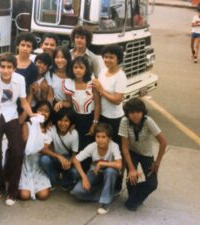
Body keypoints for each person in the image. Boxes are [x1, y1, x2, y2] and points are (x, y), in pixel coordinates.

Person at [0, 53, 37, 206]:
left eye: (9, 67)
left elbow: (23, 101)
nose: (6, 70)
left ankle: (12, 192)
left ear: (14, 68)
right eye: (3, 67)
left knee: (17, 151)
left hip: (11, 114)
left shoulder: (20, 79)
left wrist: (31, 113)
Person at [119, 98, 167, 211]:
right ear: (127, 113)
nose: (135, 115)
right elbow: (124, 147)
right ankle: (133, 198)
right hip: (131, 153)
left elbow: (163, 142)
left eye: (138, 112)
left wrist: (157, 163)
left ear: (143, 112)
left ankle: (132, 199)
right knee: (131, 178)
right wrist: (131, 169)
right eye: (132, 112)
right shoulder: (124, 121)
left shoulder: (148, 121)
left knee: (152, 184)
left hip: (146, 154)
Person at [92, 44, 127, 191]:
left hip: (116, 119)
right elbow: (98, 98)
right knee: (102, 149)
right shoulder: (103, 72)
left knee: (117, 152)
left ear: (118, 59)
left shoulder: (121, 76)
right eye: (105, 57)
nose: (108, 60)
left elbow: (118, 99)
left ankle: (118, 183)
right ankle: (103, 180)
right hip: (103, 117)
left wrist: (101, 90)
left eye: (111, 57)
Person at [71, 123, 122, 215]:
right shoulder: (92, 146)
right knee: (77, 192)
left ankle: (105, 203)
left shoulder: (114, 146)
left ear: (109, 138)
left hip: (109, 174)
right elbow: (75, 160)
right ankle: (106, 194)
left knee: (110, 171)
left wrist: (101, 163)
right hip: (95, 173)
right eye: (98, 136)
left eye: (103, 137)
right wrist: (84, 178)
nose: (100, 140)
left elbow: (119, 165)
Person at [62, 56, 101, 171]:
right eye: (75, 67)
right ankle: (76, 173)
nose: (78, 70)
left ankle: (88, 173)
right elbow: (69, 104)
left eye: (81, 67)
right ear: (72, 69)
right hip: (76, 119)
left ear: (86, 69)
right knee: (77, 147)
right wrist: (62, 103)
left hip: (90, 118)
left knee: (89, 147)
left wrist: (95, 123)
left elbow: (98, 104)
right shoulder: (68, 83)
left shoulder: (92, 82)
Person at [19, 100, 53, 200]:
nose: (43, 113)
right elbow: (27, 146)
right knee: (24, 196)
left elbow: (42, 150)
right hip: (26, 163)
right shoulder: (27, 125)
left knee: (43, 196)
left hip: (38, 165)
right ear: (34, 111)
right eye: (40, 110)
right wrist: (36, 128)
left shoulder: (50, 130)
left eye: (46, 111)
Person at [39, 107, 79, 191]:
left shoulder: (74, 133)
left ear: (71, 122)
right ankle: (53, 181)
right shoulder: (52, 129)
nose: (62, 123)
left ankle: (66, 183)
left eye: (66, 121)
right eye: (60, 120)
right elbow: (43, 149)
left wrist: (69, 162)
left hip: (67, 159)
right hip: (55, 158)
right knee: (44, 159)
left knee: (75, 172)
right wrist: (58, 156)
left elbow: (74, 154)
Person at [45, 46, 72, 111]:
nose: (59, 60)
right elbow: (50, 96)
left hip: (72, 108)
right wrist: (49, 110)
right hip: (57, 106)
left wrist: (64, 103)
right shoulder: (50, 74)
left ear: (68, 59)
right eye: (57, 57)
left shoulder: (73, 74)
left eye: (63, 57)